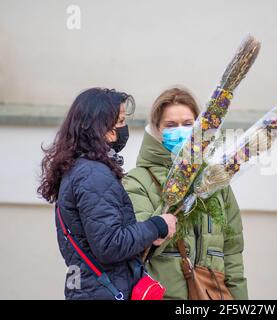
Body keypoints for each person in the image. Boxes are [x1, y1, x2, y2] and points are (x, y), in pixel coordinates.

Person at [37, 87, 177, 300]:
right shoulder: (93, 174)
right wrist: (157, 226)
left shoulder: (82, 170)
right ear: (99, 127)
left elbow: (98, 240)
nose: (123, 129)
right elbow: (110, 245)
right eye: (120, 121)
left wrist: (148, 237)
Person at [123, 87, 248, 299]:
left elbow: (232, 253)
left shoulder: (215, 183)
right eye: (170, 125)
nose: (181, 130)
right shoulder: (138, 181)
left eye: (188, 124)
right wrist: (176, 196)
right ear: (156, 130)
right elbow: (137, 248)